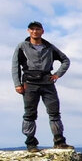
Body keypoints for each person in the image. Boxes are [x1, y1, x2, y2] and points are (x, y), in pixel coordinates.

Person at [11, 21, 73, 152]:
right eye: (32, 29)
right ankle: (31, 143)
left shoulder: (49, 47)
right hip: (29, 83)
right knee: (30, 114)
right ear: (28, 31)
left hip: (47, 81)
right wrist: (17, 84)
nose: (35, 31)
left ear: (42, 31)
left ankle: (59, 142)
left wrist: (57, 75)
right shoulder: (22, 46)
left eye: (37, 29)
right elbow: (15, 66)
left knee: (54, 112)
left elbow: (65, 60)